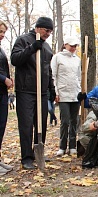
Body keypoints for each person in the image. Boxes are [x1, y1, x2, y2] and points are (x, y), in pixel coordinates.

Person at [11, 17, 55, 170]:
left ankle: (38, 153)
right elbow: (15, 59)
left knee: (41, 123)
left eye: (50, 31)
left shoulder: (47, 47)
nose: (48, 34)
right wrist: (31, 48)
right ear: (38, 27)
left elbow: (48, 70)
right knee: (26, 124)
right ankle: (26, 157)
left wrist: (51, 87)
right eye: (46, 30)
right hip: (26, 91)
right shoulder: (23, 40)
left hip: (42, 92)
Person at [51, 36, 81, 156]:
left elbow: (78, 77)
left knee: (74, 120)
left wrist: (80, 91)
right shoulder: (57, 57)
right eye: (71, 45)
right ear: (65, 45)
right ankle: (62, 146)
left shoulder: (77, 59)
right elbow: (54, 76)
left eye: (75, 46)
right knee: (65, 121)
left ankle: (72, 145)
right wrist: (56, 92)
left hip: (75, 94)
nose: (73, 48)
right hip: (63, 94)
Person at [0, 20, 14, 174]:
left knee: (1, 126)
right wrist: (4, 79)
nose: (2, 35)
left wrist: (9, 79)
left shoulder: (1, 49)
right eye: (0, 32)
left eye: (4, 32)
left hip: (2, 93)